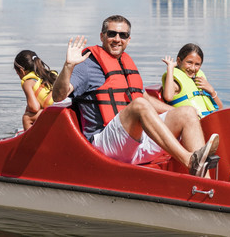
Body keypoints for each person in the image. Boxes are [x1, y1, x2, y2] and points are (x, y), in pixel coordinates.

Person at [51, 15, 219, 177]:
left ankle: (206, 185)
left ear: (128, 39)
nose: (117, 39)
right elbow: (58, 96)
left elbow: (144, 98)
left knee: (187, 112)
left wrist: (176, 111)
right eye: (112, 34)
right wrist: (68, 66)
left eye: (123, 35)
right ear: (102, 36)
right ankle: (189, 160)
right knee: (139, 105)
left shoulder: (126, 63)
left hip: (133, 142)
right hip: (105, 144)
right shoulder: (87, 65)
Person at [161, 43, 222, 118]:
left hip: (208, 120)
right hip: (192, 122)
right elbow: (168, 97)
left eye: (197, 64)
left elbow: (220, 108)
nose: (193, 68)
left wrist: (212, 91)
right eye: (189, 62)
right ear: (179, 61)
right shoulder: (176, 83)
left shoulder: (200, 81)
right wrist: (170, 68)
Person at [14, 50, 58, 130]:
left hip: (59, 112)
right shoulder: (51, 74)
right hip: (70, 107)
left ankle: (30, 138)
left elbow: (34, 108)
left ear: (21, 71)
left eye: (17, 73)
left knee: (27, 118)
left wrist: (28, 108)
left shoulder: (28, 83)